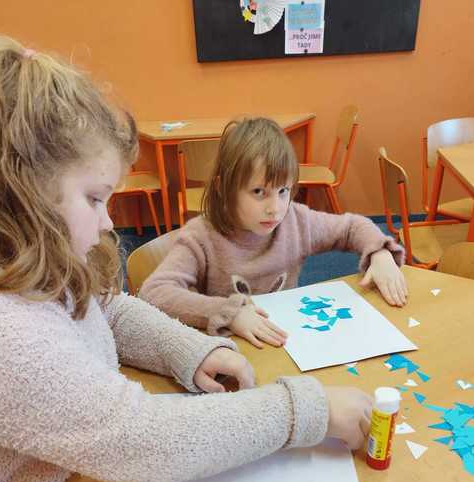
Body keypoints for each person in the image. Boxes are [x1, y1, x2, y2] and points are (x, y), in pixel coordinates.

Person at [0, 37, 372, 482]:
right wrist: (306, 410)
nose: (109, 223)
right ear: (20, 194)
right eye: (94, 199)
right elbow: (144, 440)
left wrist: (191, 350)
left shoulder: (33, 260)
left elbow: (108, 309)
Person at [139, 117, 408, 348]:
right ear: (223, 188)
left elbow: (352, 227)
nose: (275, 209)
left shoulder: (296, 221)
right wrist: (229, 313)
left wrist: (380, 254)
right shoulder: (201, 236)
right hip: (234, 351)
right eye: (259, 192)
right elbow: (154, 292)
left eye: (283, 191)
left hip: (287, 342)